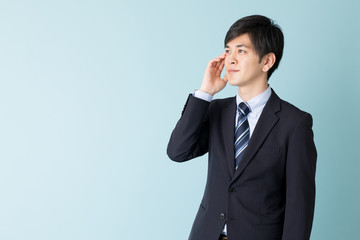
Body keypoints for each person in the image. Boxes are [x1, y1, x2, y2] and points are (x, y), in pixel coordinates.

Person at [167, 15, 317, 240]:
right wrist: (205, 92)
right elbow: (177, 151)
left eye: (241, 51)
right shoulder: (215, 110)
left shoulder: (295, 123)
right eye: (227, 50)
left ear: (267, 61)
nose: (231, 59)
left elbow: (299, 208)